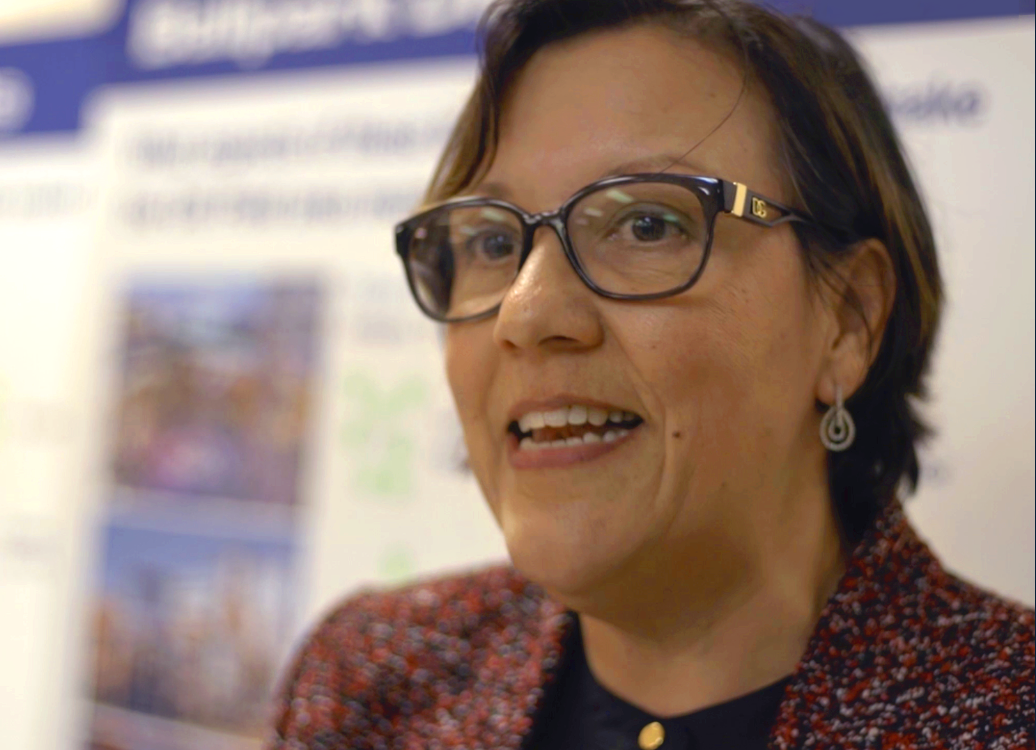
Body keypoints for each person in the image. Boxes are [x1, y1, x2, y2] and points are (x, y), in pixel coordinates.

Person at [267, 1, 1035, 748]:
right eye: (494, 244)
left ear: (848, 320)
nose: (524, 314)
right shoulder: (371, 683)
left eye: (647, 225)